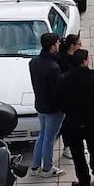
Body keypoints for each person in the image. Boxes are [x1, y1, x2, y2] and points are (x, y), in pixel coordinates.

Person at [57, 48, 94, 186]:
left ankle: (84, 180)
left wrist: (69, 111)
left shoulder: (64, 79)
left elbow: (59, 102)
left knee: (77, 153)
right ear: (85, 61)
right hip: (92, 120)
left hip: (72, 122)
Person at [29, 32, 64, 178]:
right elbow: (57, 91)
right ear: (52, 47)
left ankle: (35, 166)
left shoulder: (34, 62)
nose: (59, 45)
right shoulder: (53, 67)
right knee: (49, 138)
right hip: (52, 109)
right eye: (57, 43)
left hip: (40, 104)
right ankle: (47, 168)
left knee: (42, 135)